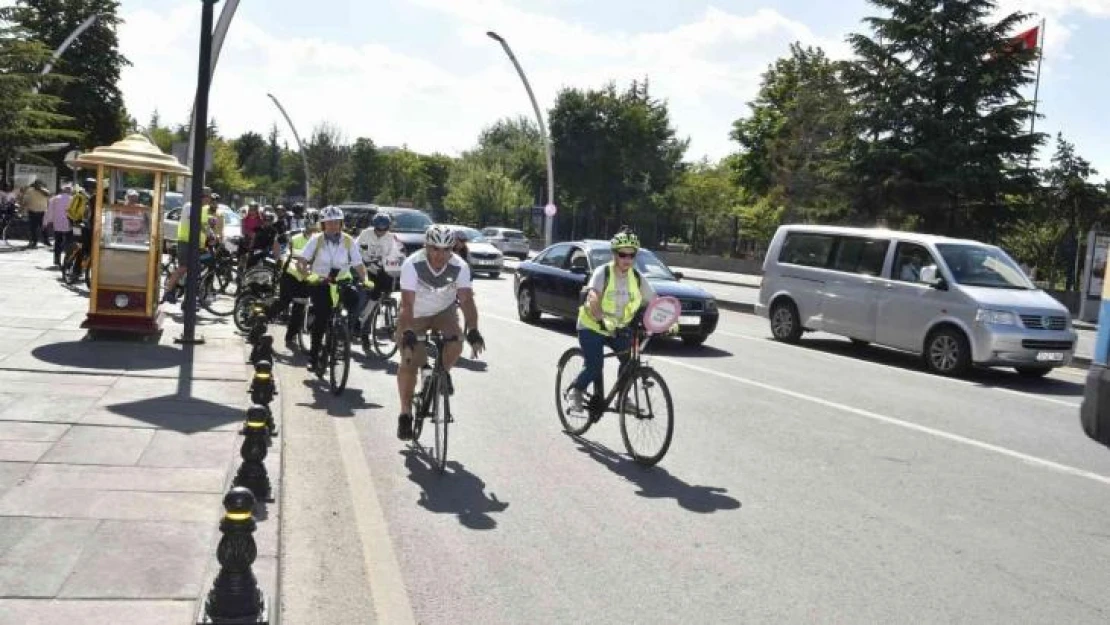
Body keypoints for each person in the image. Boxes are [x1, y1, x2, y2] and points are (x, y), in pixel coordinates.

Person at [395, 225, 485, 441]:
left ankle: (441, 373)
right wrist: (407, 330)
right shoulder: (412, 265)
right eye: (435, 249)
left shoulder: (459, 266)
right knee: (409, 360)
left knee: (456, 343)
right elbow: (407, 304)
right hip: (415, 312)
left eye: (446, 250)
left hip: (444, 311)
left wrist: (472, 328)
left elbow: (466, 300)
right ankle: (405, 414)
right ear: (426, 246)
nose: (440, 255)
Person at [565, 230, 658, 414]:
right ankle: (575, 391)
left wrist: (668, 321)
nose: (627, 259)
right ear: (614, 254)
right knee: (595, 365)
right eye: (623, 254)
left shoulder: (637, 277)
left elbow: (655, 300)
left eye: (632, 255)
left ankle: (622, 398)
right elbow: (592, 296)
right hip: (592, 326)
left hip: (617, 328)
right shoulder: (603, 272)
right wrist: (600, 318)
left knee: (629, 362)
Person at [295, 207, 373, 371]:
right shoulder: (316, 240)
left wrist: (365, 279)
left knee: (354, 299)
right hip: (321, 282)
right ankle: (314, 356)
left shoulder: (348, 240)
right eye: (329, 223)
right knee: (322, 319)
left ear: (341, 224)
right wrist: (308, 275)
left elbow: (359, 264)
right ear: (323, 225)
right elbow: (301, 261)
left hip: (341, 281)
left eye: (336, 223)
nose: (333, 226)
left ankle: (342, 333)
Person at [269, 211, 319, 346]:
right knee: (284, 302)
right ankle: (264, 319)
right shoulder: (295, 235)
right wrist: (278, 257)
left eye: (317, 227)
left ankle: (290, 336)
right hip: (291, 274)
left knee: (300, 307)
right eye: (312, 227)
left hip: (307, 277)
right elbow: (278, 240)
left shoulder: (322, 239)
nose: (315, 230)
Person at [162, 187, 214, 304]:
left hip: (198, 245)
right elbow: (195, 221)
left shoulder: (204, 209)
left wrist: (211, 234)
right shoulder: (189, 206)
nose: (209, 200)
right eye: (208, 197)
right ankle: (168, 291)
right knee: (183, 267)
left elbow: (205, 225)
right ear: (202, 197)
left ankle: (189, 298)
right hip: (185, 241)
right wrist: (206, 231)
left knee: (198, 268)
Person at [356, 212, 405, 311]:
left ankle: (374, 311)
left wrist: (398, 261)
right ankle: (362, 313)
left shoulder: (392, 237)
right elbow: (354, 248)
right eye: (378, 229)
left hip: (382, 269)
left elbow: (400, 253)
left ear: (388, 228)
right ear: (374, 226)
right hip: (365, 268)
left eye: (384, 229)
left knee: (382, 289)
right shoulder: (365, 233)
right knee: (362, 291)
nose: (381, 232)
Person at [44, 183, 73, 267]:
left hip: (57, 224)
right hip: (69, 224)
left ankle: (57, 260)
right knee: (69, 243)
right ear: (70, 190)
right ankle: (68, 260)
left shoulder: (54, 199)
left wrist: (46, 222)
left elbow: (49, 212)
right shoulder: (72, 199)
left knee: (58, 242)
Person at [21, 179, 49, 249]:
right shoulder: (30, 191)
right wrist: (22, 208)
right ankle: (34, 242)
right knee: (33, 228)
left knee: (44, 227)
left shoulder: (44, 190)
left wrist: (40, 189)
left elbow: (47, 194)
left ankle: (46, 241)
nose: (38, 185)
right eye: (36, 184)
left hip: (42, 212)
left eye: (39, 184)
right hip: (32, 212)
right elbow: (25, 200)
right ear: (34, 185)